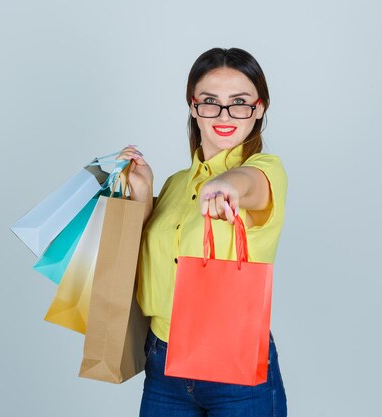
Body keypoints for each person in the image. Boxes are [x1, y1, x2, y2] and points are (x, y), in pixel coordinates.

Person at [118, 47, 288, 417]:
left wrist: (227, 183)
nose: (224, 114)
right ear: (193, 107)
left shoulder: (266, 170)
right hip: (163, 363)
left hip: (236, 371)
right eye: (210, 101)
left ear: (259, 108)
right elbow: (149, 264)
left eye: (239, 102)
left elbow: (250, 184)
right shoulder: (178, 184)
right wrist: (144, 193)